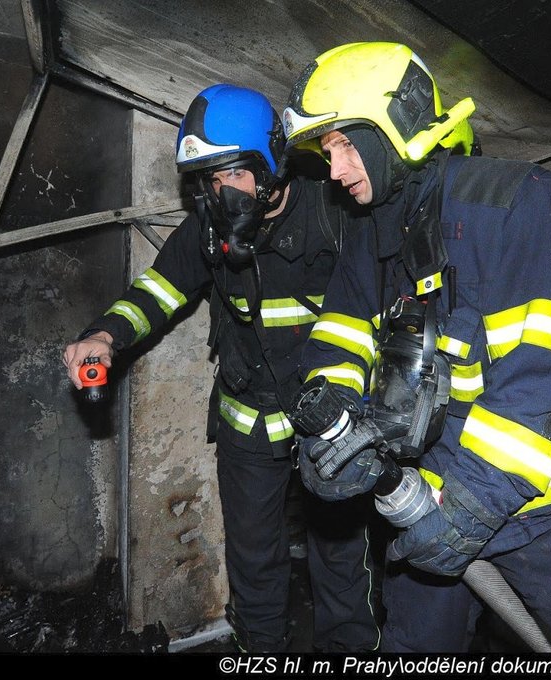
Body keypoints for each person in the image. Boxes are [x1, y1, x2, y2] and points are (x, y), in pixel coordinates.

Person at [280, 42, 551, 652]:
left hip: (545, 510)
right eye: (326, 153)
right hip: (417, 498)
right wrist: (334, 441)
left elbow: (543, 380)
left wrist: (470, 507)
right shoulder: (369, 235)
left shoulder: (521, 199)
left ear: (396, 125)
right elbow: (338, 341)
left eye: (344, 144)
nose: (336, 170)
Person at [63, 84, 378, 653]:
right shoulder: (208, 227)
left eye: (232, 174)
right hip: (249, 421)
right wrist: (105, 335)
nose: (220, 192)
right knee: (256, 560)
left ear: (271, 162)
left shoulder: (335, 213)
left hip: (332, 423)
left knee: (341, 563)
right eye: (209, 180)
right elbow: (159, 290)